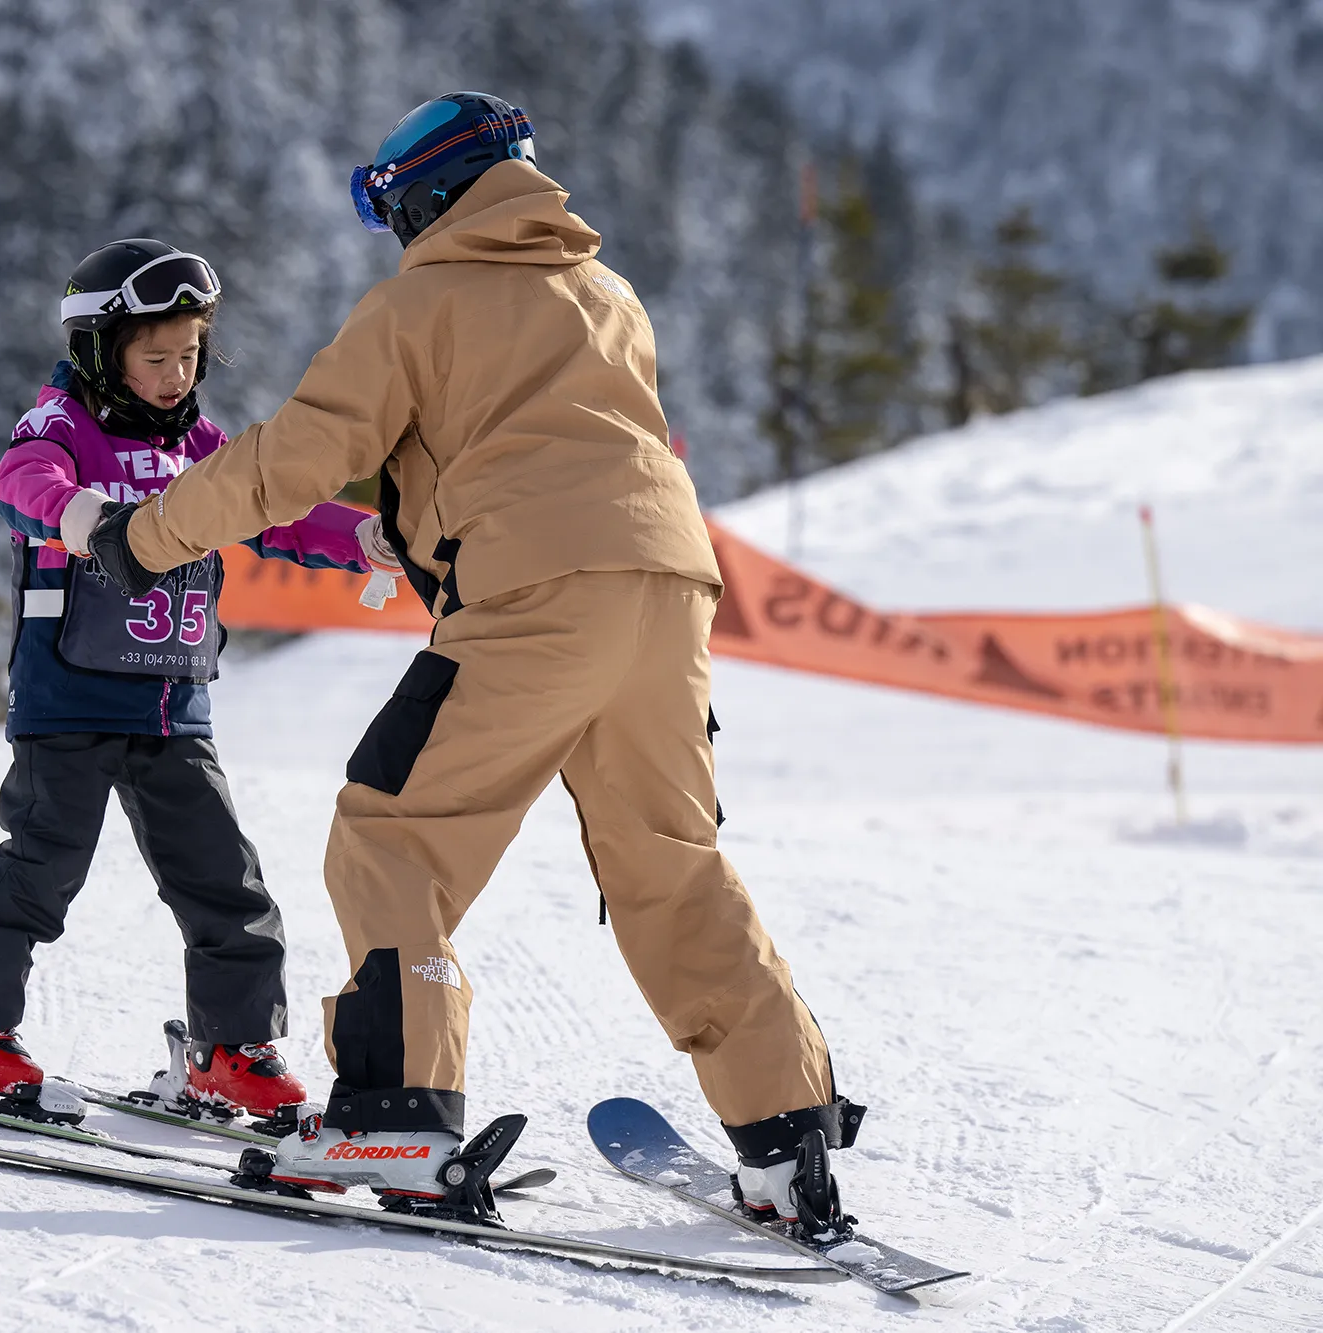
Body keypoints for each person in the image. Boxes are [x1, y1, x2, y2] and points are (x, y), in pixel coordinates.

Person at [87, 96, 863, 1225]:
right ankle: (785, 1141)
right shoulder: (606, 294)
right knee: (668, 861)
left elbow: (294, 457)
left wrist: (140, 538)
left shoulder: (420, 303)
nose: (392, 228)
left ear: (426, 198)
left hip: (532, 594)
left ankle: (397, 1113)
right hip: (670, 594)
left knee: (392, 830)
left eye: (392, 206)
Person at [0, 239, 399, 1124]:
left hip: (175, 702)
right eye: (156, 357)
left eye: (190, 354)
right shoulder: (63, 426)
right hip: (70, 696)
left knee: (224, 880)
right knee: (41, 866)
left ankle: (231, 1048)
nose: (178, 374)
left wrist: (359, 537)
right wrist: (85, 514)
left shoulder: (202, 446)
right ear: (102, 351)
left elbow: (273, 509)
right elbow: (21, 481)